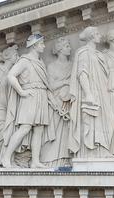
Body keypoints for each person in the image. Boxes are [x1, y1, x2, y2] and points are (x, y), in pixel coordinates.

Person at [3, 33, 64, 168]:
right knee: (25, 128)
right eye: (41, 43)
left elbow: (45, 85)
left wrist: (55, 105)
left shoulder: (40, 62)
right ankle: (6, 157)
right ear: (35, 45)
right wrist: (22, 92)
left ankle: (35, 161)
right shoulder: (25, 60)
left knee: (39, 130)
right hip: (30, 96)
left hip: (41, 95)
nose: (43, 46)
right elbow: (11, 76)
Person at [69, 27, 112, 158]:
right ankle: (91, 152)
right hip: (91, 90)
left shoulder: (99, 54)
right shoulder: (83, 52)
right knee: (91, 118)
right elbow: (82, 73)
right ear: (92, 36)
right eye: (98, 34)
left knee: (107, 118)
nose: (100, 36)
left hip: (102, 91)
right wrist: (88, 93)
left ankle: (103, 148)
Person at [41, 37, 74, 166]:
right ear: (60, 50)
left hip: (69, 104)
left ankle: (65, 159)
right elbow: (50, 86)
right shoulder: (52, 66)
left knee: (66, 133)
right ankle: (50, 161)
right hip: (55, 105)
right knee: (53, 132)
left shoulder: (72, 65)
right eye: (67, 46)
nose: (70, 48)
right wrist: (66, 82)